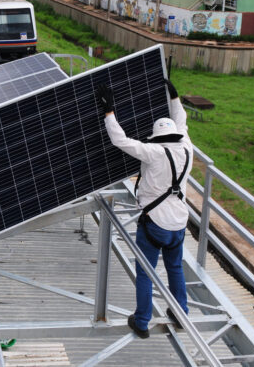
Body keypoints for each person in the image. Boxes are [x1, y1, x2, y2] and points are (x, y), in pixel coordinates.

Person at [96, 79, 192, 339]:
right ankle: (181, 313)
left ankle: (141, 321)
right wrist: (174, 98)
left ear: (158, 137)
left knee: (145, 274)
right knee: (175, 268)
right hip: (179, 225)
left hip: (154, 225)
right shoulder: (187, 147)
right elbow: (181, 119)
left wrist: (109, 111)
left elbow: (120, 140)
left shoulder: (153, 152)